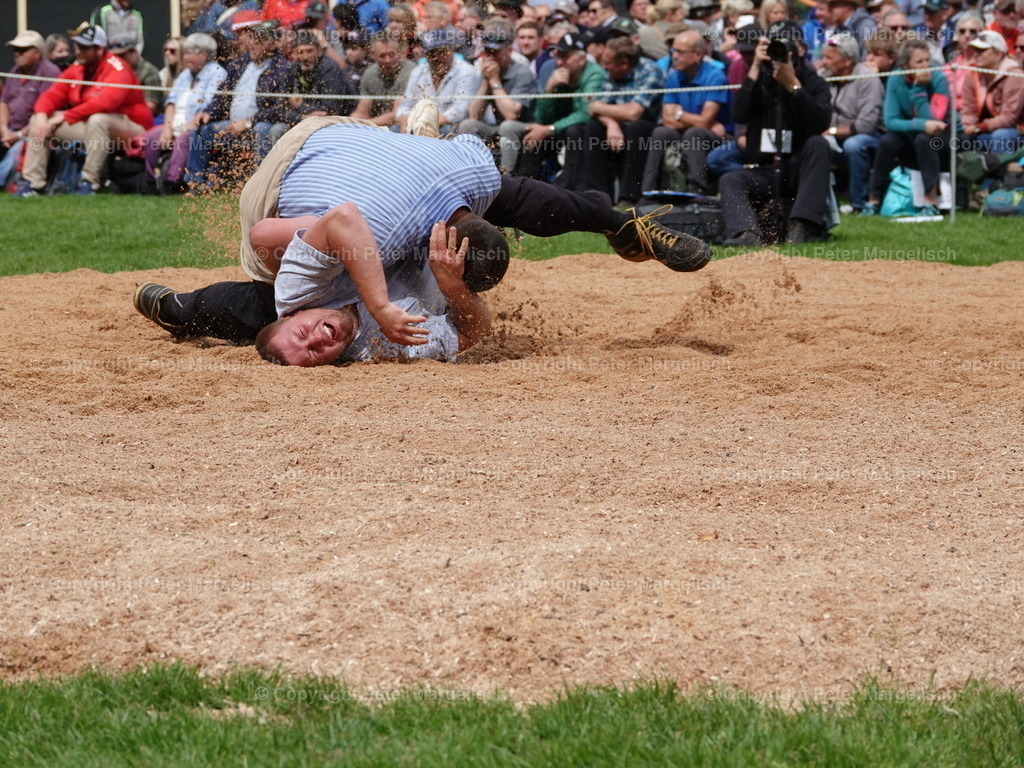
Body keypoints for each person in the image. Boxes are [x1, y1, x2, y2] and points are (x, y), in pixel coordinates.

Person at [133, 115, 712, 359]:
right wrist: (382, 304)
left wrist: (450, 288)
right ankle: (616, 221)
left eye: (303, 338)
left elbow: (470, 329)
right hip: (315, 161)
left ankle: (619, 222)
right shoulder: (348, 288)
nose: (313, 339)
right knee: (258, 303)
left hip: (380, 184)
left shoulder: (318, 306)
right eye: (314, 347)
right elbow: (292, 230)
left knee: (276, 301)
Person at [718, 21, 832, 245]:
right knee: (731, 179)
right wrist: (755, 67)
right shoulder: (760, 79)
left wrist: (793, 86)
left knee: (819, 144)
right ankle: (746, 234)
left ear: (800, 49)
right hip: (765, 169)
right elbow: (739, 114)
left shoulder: (814, 83)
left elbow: (821, 122)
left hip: (799, 169)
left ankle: (800, 227)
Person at [15, 23, 152, 197]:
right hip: (94, 128)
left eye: (85, 48)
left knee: (98, 119)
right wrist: (42, 115)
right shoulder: (78, 68)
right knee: (38, 120)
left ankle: (89, 183)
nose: (78, 51)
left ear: (100, 49)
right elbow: (51, 95)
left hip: (133, 128)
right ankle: (33, 184)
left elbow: (105, 103)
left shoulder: (118, 68)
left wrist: (65, 115)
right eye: (78, 46)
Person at [185, 11, 291, 187]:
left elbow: (281, 108)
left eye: (259, 42)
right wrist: (207, 113)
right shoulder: (240, 64)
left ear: (272, 45)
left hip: (255, 126)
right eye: (252, 41)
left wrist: (248, 122)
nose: (253, 46)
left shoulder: (283, 69)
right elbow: (222, 95)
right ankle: (195, 183)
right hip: (231, 125)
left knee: (263, 130)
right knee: (201, 129)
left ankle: (258, 187)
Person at [862, 37, 954, 216]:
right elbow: (891, 121)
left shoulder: (938, 79)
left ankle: (930, 203)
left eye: (928, 60)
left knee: (924, 139)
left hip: (943, 139)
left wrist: (919, 90)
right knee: (889, 140)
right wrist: (920, 124)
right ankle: (873, 200)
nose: (926, 65)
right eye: (919, 61)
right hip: (912, 135)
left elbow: (935, 122)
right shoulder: (896, 79)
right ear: (905, 65)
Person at [502, 31, 607, 181]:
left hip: (585, 133)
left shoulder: (594, 74)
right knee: (532, 136)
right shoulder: (555, 71)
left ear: (582, 59)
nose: (559, 62)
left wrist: (549, 129)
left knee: (573, 131)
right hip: (558, 129)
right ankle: (526, 186)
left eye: (565, 56)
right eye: (558, 56)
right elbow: (541, 117)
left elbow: (586, 113)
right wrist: (549, 89)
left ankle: (569, 188)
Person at [641, 29, 731, 195]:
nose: (674, 56)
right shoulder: (674, 77)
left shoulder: (715, 76)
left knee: (694, 133)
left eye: (680, 52)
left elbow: (704, 122)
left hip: (720, 137)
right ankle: (648, 191)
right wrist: (692, 120)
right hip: (693, 130)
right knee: (661, 132)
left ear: (698, 54)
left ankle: (697, 191)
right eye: (672, 51)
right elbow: (667, 120)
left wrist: (680, 115)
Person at [142, 32, 228, 186]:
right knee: (151, 137)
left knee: (183, 140)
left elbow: (206, 108)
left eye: (189, 53)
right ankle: (150, 182)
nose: (186, 58)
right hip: (174, 123)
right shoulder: (185, 74)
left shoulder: (217, 74)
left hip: (194, 127)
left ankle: (172, 183)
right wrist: (168, 129)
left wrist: (184, 128)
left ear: (203, 54)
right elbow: (171, 103)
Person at [819, 33, 883, 211]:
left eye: (829, 58)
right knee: (815, 144)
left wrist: (831, 131)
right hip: (829, 136)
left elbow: (867, 125)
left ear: (847, 60)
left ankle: (859, 203)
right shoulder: (822, 76)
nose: (824, 62)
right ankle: (822, 202)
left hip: (869, 137)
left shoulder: (867, 78)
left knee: (854, 145)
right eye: (823, 57)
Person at [458, 19, 538, 162]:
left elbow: (511, 114)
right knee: (467, 125)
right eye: (488, 52)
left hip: (526, 127)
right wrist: (485, 81)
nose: (491, 57)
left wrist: (494, 81)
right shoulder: (486, 71)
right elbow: (474, 115)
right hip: (499, 127)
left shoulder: (522, 71)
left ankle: (507, 175)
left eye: (495, 52)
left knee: (507, 127)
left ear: (509, 50)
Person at [2, 31, 62, 185]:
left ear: (37, 52)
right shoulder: (15, 71)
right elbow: (4, 102)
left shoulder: (50, 73)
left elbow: (44, 113)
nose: (17, 54)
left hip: (32, 131)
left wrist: (18, 135)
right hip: (9, 129)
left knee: (12, 161)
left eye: (22, 50)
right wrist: (4, 129)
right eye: (15, 50)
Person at [395, 27, 481, 134]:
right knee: (393, 130)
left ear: (451, 50)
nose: (438, 57)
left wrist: (427, 124)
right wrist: (406, 122)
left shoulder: (466, 71)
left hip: (450, 126)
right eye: (433, 53)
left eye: (442, 52)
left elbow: (460, 110)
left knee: (447, 130)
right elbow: (405, 106)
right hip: (420, 125)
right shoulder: (418, 71)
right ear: (426, 54)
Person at [960, 30, 1024, 154]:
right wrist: (967, 126)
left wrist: (979, 127)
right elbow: (969, 111)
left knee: (1000, 136)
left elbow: (1009, 118)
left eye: (982, 50)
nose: (976, 55)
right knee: (958, 137)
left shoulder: (1014, 75)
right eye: (975, 50)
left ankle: (1007, 171)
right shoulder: (972, 76)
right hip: (986, 130)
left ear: (998, 53)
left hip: (1016, 130)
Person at [280, 28, 357, 129]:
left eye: (310, 51)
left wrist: (300, 105)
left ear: (319, 51)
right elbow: (280, 107)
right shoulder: (291, 69)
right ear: (294, 53)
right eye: (300, 52)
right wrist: (301, 117)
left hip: (337, 122)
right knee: (276, 128)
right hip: (303, 119)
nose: (305, 57)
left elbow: (330, 110)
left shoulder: (330, 69)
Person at [350, 33, 416, 127]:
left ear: (399, 52)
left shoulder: (410, 72)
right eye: (382, 56)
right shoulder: (370, 74)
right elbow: (362, 111)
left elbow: (396, 115)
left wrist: (364, 124)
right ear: (373, 55)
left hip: (402, 125)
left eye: (391, 54)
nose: (387, 60)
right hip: (377, 124)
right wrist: (351, 122)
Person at [108, 33, 163, 115]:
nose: (118, 60)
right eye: (115, 56)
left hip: (146, 119)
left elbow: (151, 107)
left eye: (122, 55)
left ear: (134, 52)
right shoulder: (111, 70)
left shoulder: (148, 71)